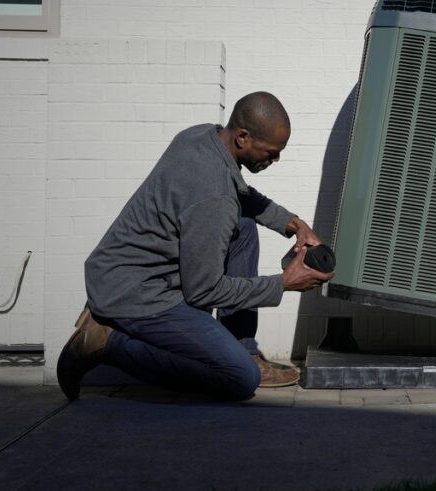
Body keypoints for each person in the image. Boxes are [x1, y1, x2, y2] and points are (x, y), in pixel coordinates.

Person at [56, 91, 334, 401]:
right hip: (136, 292)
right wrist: (283, 283)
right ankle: (105, 341)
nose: (275, 160)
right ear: (243, 137)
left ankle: (241, 347)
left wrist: (295, 224)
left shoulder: (203, 136)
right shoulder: (214, 199)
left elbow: (238, 192)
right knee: (240, 378)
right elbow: (204, 291)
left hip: (124, 272)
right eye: (270, 152)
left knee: (242, 228)